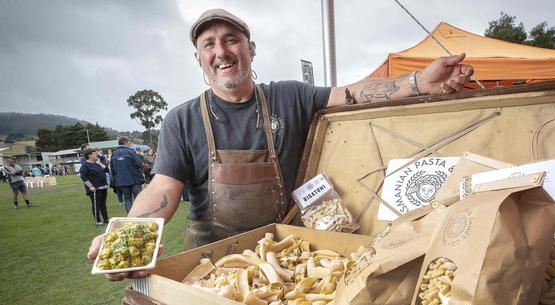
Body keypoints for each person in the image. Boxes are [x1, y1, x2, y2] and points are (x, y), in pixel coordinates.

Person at [87, 8, 473, 280]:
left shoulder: (291, 97)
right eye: (209, 44)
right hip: (212, 262)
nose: (221, 51)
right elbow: (162, 189)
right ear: (199, 58)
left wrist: (420, 82)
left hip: (288, 254)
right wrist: (127, 236)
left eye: (231, 40)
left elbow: (352, 95)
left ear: (250, 49)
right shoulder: (181, 119)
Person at [109, 136, 145, 213]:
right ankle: (138, 214)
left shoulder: (113, 153)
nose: (130, 144)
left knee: (127, 199)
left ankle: (130, 216)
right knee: (138, 198)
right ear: (125, 142)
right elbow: (139, 164)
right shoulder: (130, 151)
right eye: (129, 142)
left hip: (121, 181)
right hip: (134, 179)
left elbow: (112, 169)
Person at [79, 148, 110, 226]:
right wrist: (91, 186)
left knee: (103, 204)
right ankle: (98, 220)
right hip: (94, 188)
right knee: (96, 204)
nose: (97, 155)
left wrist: (100, 163)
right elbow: (83, 177)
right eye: (95, 154)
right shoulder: (85, 165)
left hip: (103, 186)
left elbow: (107, 170)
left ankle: (106, 219)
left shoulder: (97, 163)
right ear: (90, 155)